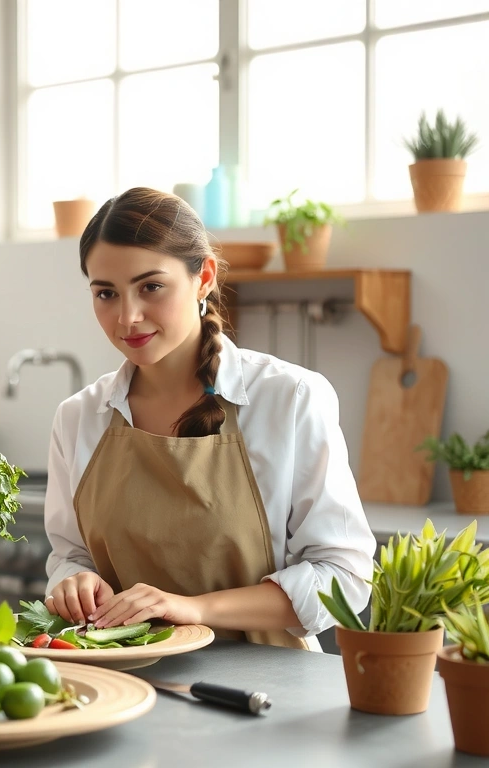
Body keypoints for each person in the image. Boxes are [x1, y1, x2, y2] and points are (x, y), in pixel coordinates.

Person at [42, 187, 376, 650]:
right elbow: (71, 555)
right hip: (122, 684)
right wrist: (73, 581)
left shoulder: (291, 398)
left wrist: (194, 608)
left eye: (151, 287)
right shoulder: (79, 417)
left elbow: (344, 578)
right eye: (106, 293)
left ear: (204, 279)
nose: (127, 317)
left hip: (265, 691)